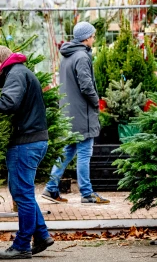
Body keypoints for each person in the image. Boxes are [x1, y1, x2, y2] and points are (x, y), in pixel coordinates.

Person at [0, 46, 53, 260]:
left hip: (25, 143)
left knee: (22, 194)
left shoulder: (16, 73)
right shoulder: (20, 72)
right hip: (32, 140)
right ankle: (42, 235)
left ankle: (22, 245)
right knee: (24, 192)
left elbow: (10, 102)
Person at [41, 22, 111, 205]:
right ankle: (87, 193)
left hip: (69, 111)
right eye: (93, 36)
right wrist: (96, 101)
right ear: (86, 38)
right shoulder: (82, 56)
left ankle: (51, 187)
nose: (94, 39)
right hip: (82, 113)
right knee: (84, 153)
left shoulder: (68, 55)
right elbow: (86, 85)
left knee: (68, 150)